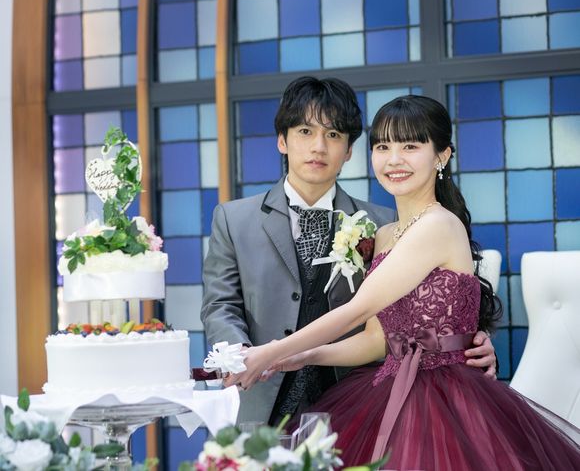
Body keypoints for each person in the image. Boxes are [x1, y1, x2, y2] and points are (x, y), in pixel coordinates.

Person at [235, 95, 580, 469]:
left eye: (410, 146)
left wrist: (271, 352)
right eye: (383, 146)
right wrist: (305, 356)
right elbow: (375, 339)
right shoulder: (384, 234)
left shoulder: (439, 224)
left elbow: (358, 309)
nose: (394, 159)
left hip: (445, 397)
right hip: (388, 387)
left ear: (441, 156)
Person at [202, 78, 496, 426]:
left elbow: (373, 309)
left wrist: (463, 341)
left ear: (349, 150)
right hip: (263, 396)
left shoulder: (381, 221)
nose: (318, 147)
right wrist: (245, 358)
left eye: (333, 134)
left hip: (357, 400)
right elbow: (220, 306)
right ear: (282, 140)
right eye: (305, 131)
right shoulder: (385, 232)